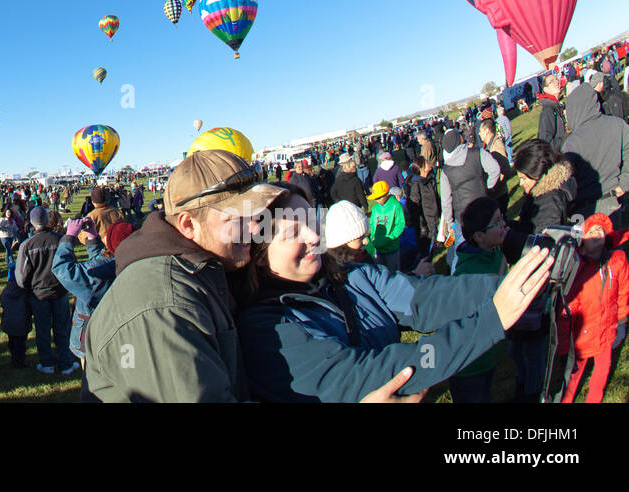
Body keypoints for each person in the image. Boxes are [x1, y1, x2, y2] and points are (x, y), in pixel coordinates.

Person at [235, 185, 555, 403]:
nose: (312, 236)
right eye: (292, 232)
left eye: (310, 221)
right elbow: (373, 372)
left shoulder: (352, 276)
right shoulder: (267, 329)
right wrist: (491, 319)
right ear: (259, 255)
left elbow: (424, 297)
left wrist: (518, 285)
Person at [83, 150, 287, 402]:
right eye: (239, 217)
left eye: (255, 215)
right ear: (188, 225)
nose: (256, 228)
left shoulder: (204, 272)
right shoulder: (162, 306)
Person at [557, 213, 629, 403]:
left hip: (607, 330)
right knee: (573, 376)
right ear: (583, 241)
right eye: (591, 231)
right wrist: (564, 343)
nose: (597, 232)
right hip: (581, 337)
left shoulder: (617, 261)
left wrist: (621, 320)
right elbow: (568, 310)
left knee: (602, 373)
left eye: (601, 230)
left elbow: (623, 292)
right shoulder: (577, 271)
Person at [448, 198, 509, 403]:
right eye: (497, 222)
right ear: (479, 236)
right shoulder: (467, 277)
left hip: (489, 354)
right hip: (469, 364)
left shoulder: (495, 251)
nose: (504, 225)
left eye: (502, 219)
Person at [52, 216, 131, 368]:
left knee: (91, 375)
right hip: (121, 331)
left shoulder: (101, 272)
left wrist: (68, 238)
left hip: (92, 330)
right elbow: (101, 260)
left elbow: (62, 269)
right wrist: (93, 237)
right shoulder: (125, 262)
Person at [15, 205, 75, 374]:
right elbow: (71, 263)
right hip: (60, 291)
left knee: (42, 329)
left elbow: (21, 276)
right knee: (63, 327)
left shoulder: (27, 245)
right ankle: (66, 362)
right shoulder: (60, 239)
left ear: (32, 224)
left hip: (39, 293)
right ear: (48, 220)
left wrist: (27, 289)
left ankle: (47, 362)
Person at [562, 82, 629, 228]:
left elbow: (565, 179)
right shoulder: (618, 124)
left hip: (584, 209)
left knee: (585, 248)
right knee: (614, 247)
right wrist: (624, 182)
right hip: (612, 202)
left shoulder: (572, 143)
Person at [438, 128, 501, 268]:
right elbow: (495, 169)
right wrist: (488, 188)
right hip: (483, 208)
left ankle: (460, 276)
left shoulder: (446, 170)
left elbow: (446, 200)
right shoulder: (478, 153)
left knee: (462, 250)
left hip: (462, 216)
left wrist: (449, 222)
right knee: (490, 242)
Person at [366, 181, 404, 272]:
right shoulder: (375, 208)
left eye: (379, 197)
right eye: (375, 198)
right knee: (380, 272)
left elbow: (400, 224)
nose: (377, 200)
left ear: (386, 195)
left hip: (391, 248)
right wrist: (372, 237)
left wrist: (392, 237)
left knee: (393, 272)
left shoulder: (396, 205)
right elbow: (373, 224)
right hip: (378, 248)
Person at [536, 74, 567, 153]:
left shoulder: (557, 106)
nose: (556, 82)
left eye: (556, 79)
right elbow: (546, 143)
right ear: (545, 89)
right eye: (552, 81)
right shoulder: (548, 110)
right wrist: (567, 141)